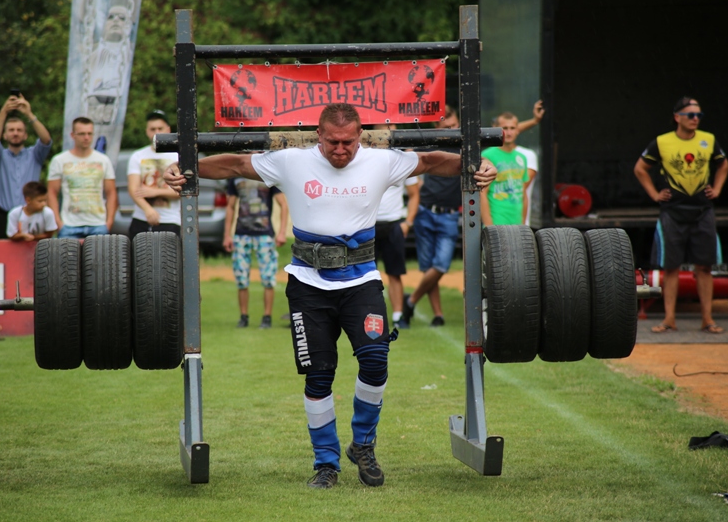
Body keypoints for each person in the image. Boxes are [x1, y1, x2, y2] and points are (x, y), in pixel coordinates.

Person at [164, 103, 496, 489]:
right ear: (318, 135)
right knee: (319, 375)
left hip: (361, 282)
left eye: (348, 142)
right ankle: (326, 464)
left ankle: (363, 445)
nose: (341, 150)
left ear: (360, 136)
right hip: (307, 286)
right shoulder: (291, 161)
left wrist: (476, 165)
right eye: (333, 142)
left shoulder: (380, 161)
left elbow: (429, 160)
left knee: (376, 362)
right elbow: (236, 165)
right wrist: (186, 168)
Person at [634, 96, 728, 334]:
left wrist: (717, 189)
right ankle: (669, 319)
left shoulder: (708, 140)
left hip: (703, 211)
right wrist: (655, 194)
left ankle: (707, 319)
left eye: (699, 115)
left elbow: (724, 165)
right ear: (677, 117)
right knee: (671, 268)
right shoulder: (662, 142)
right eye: (691, 115)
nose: (695, 119)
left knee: (704, 267)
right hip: (672, 212)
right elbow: (640, 168)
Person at [401, 106, 462, 328]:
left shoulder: (465, 146)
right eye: (447, 127)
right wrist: (417, 185)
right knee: (428, 267)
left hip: (449, 215)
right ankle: (438, 315)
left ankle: (410, 300)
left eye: (454, 125)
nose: (452, 130)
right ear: (437, 127)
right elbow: (407, 154)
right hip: (425, 211)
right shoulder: (428, 143)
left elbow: (503, 132)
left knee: (441, 265)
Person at [371, 124, 420, 329]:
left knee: (395, 273)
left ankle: (398, 316)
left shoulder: (403, 159)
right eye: (385, 125)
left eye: (392, 125)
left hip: (393, 224)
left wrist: (408, 223)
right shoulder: (364, 156)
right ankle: (369, 317)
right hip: (368, 226)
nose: (389, 129)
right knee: (366, 276)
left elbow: (414, 194)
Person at [223, 177, 289, 329]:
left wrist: (282, 232)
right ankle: (243, 316)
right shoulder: (236, 176)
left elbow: (283, 204)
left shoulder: (267, 175)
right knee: (241, 277)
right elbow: (230, 206)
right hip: (241, 234)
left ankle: (267, 317)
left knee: (268, 277)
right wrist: (227, 235)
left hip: (264, 234)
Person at [0, 92, 53, 239]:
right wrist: (4, 112)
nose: (15, 133)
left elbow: (46, 140)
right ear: (5, 135)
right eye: (11, 130)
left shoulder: (35, 155)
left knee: (33, 253)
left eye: (19, 130)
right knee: (2, 253)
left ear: (25, 135)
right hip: (5, 215)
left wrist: (29, 114)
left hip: (31, 214)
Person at [47, 117, 117, 239]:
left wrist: (109, 222)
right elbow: (52, 193)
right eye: (82, 134)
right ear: (72, 135)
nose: (86, 137)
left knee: (99, 253)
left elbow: (111, 192)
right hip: (69, 225)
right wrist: (58, 223)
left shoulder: (103, 160)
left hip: (98, 224)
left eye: (90, 133)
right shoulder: (59, 160)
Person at [127, 110, 181, 239]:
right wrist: (148, 210)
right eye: (152, 129)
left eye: (160, 128)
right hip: (141, 219)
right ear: (147, 131)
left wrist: (154, 192)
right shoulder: (137, 156)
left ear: (168, 130)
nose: (156, 132)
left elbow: (182, 191)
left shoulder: (178, 156)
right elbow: (133, 189)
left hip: (170, 220)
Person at [481, 111, 539, 225]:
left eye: (512, 128)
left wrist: (523, 224)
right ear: (497, 130)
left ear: (518, 130)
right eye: (505, 128)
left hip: (517, 225)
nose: (509, 132)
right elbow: (482, 193)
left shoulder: (522, 157)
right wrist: (488, 226)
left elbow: (523, 193)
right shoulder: (487, 156)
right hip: (496, 223)